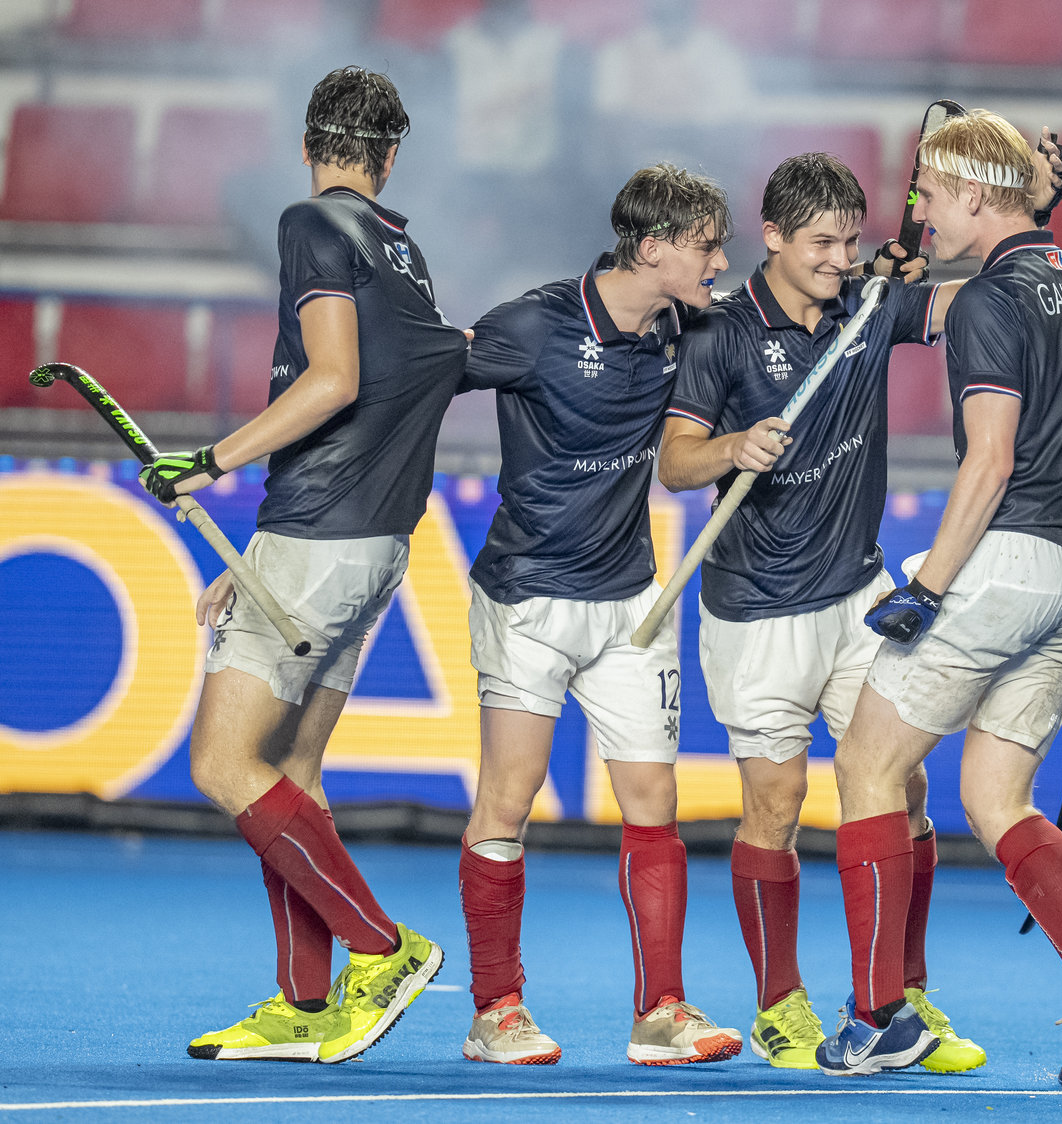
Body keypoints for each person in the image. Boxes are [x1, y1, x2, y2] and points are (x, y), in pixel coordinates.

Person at [657, 138, 1062, 1072]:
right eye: (820, 245)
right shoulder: (719, 333)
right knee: (776, 806)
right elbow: (674, 461)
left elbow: (986, 293)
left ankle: (897, 998)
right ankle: (779, 1005)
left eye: (850, 242)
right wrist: (732, 449)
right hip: (755, 609)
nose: (840, 261)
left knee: (905, 788)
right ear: (770, 236)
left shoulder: (870, 306)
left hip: (858, 593)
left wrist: (1033, 217)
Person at [816, 108, 1062, 1088]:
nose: (923, 211)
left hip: (1003, 562)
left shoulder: (985, 300)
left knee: (867, 765)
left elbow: (990, 459)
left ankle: (878, 1013)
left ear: (974, 192)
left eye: (930, 193)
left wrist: (923, 588)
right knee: (992, 795)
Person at [138, 66, 466, 1063]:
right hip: (364, 540)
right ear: (391, 153)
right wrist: (267, 547)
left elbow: (333, 380)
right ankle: (303, 1004)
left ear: (309, 145)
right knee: (290, 769)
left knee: (221, 762)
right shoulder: (405, 252)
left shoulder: (312, 222)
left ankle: (381, 948)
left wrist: (211, 457)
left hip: (322, 532)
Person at [455, 163, 744, 1067]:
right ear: (652, 248)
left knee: (653, 805)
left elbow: (781, 310)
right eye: (706, 245)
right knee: (507, 802)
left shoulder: (685, 329)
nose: (720, 260)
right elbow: (397, 393)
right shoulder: (526, 326)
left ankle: (661, 1012)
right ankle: (494, 1012)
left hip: (630, 605)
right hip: (528, 598)